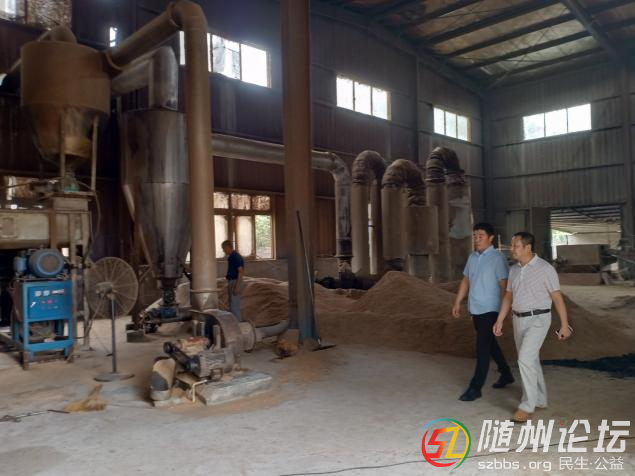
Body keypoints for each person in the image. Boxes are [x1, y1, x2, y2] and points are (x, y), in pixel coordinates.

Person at [493, 231, 571, 422]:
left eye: (516, 245)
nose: (512, 249)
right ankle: (540, 399)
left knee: (525, 359)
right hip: (518, 319)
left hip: (539, 319)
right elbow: (508, 296)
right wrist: (500, 319)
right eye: (512, 245)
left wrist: (564, 325)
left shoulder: (545, 269)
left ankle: (527, 406)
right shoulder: (514, 270)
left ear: (528, 247)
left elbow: (557, 297)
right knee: (531, 360)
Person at [452, 222, 514, 402]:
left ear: (491, 238)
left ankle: (475, 387)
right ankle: (506, 373)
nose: (477, 239)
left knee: (482, 348)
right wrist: (457, 301)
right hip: (475, 308)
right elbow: (466, 280)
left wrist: (503, 313)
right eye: (475, 236)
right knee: (489, 343)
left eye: (481, 236)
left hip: (490, 309)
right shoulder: (472, 257)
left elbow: (504, 286)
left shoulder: (497, 258)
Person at [222, 240, 244, 321]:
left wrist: (237, 287)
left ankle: (237, 324)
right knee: (232, 305)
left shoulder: (235, 256)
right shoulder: (231, 256)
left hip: (235, 281)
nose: (223, 250)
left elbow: (240, 271)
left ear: (228, 247)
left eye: (224, 248)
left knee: (235, 306)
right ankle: (234, 323)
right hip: (232, 281)